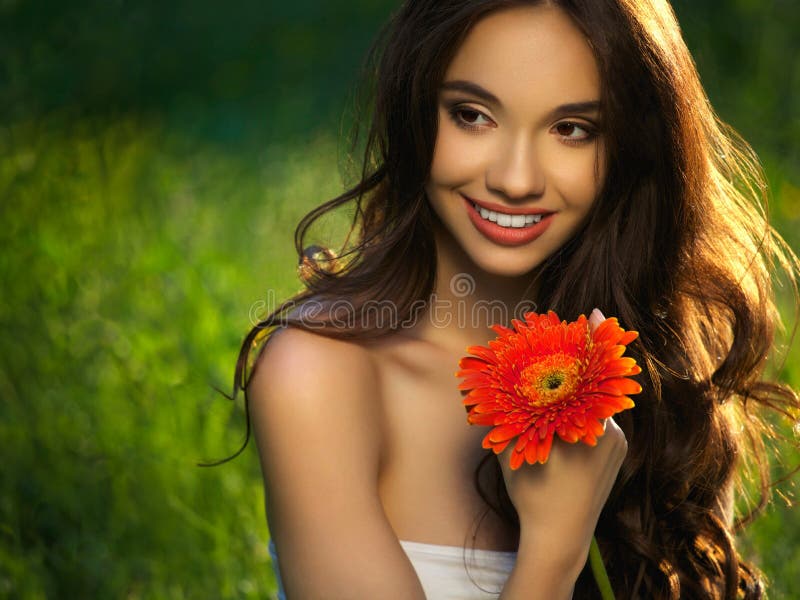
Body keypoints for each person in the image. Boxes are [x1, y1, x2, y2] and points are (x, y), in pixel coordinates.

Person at [229, 1, 799, 598]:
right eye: (473, 116)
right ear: (414, 110)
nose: (517, 179)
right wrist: (554, 549)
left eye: (571, 129)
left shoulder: (663, 354)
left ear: (634, 147)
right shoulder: (318, 376)